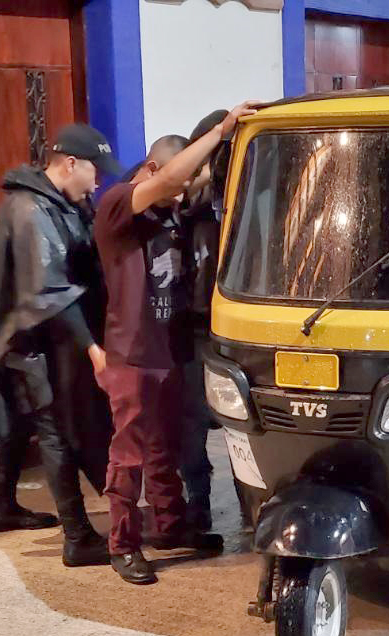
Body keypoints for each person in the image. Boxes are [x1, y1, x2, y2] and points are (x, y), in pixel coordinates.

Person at [94, 101, 259, 585]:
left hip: (169, 348)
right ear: (151, 168)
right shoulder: (119, 203)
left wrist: (234, 139)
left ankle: (170, 527)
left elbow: (196, 183)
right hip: (132, 352)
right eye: (174, 181)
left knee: (165, 447)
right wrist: (219, 130)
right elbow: (170, 180)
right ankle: (122, 545)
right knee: (128, 453)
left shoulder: (172, 212)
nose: (182, 191)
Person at [0, 123, 122, 569]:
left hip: (20, 334)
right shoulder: (30, 209)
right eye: (95, 172)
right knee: (55, 429)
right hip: (24, 337)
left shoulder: (51, 201)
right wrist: (93, 348)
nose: (98, 182)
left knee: (17, 423)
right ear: (70, 164)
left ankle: (2, 507)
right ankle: (78, 536)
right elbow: (48, 291)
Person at [177, 109, 230, 533]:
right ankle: (199, 498)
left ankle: (255, 499)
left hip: (238, 328)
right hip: (195, 326)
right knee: (192, 419)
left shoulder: (251, 205)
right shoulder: (186, 210)